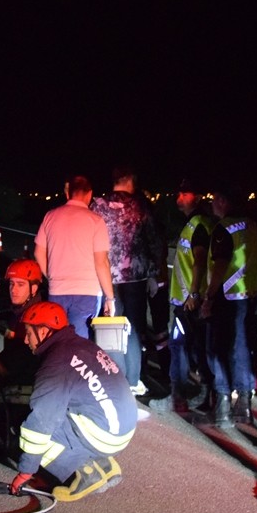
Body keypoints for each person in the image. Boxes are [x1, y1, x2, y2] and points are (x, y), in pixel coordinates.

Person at [8, 301, 137, 502]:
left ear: (43, 331)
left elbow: (41, 423)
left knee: (32, 424)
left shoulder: (56, 362)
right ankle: (104, 463)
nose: (26, 340)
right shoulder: (78, 344)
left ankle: (85, 472)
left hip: (105, 434)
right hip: (124, 428)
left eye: (28, 333)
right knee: (65, 407)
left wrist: (25, 472)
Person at [91, 166, 163, 397]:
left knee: (110, 326)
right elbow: (154, 241)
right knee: (133, 327)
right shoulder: (141, 206)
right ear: (130, 180)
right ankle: (133, 379)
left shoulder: (98, 205)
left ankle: (114, 377)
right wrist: (154, 273)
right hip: (136, 276)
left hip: (105, 276)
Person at [201, 184, 257, 427]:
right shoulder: (253, 225)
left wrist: (209, 297)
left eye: (215, 198)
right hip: (249, 295)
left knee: (218, 348)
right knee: (242, 347)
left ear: (224, 201)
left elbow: (220, 266)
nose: (212, 203)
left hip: (226, 297)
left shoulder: (223, 229)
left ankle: (223, 405)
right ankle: (244, 405)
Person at [33, 175, 115, 337]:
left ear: (68, 192)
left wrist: (51, 276)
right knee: (79, 341)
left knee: (58, 338)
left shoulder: (50, 216)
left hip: (58, 291)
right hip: (87, 293)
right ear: (89, 194)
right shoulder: (95, 221)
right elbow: (101, 262)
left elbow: (38, 252)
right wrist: (110, 298)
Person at [161, 178, 214, 411]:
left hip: (190, 300)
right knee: (195, 347)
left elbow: (200, 261)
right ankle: (203, 393)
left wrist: (193, 294)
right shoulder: (194, 223)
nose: (179, 198)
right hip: (189, 299)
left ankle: (178, 395)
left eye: (185, 194)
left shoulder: (199, 224)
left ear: (198, 197)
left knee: (179, 345)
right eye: (179, 193)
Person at [0, 258, 46, 400]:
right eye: (11, 284)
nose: (14, 290)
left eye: (20, 285)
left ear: (34, 288)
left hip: (28, 390)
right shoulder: (18, 313)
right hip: (17, 383)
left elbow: (17, 358)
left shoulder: (37, 318)